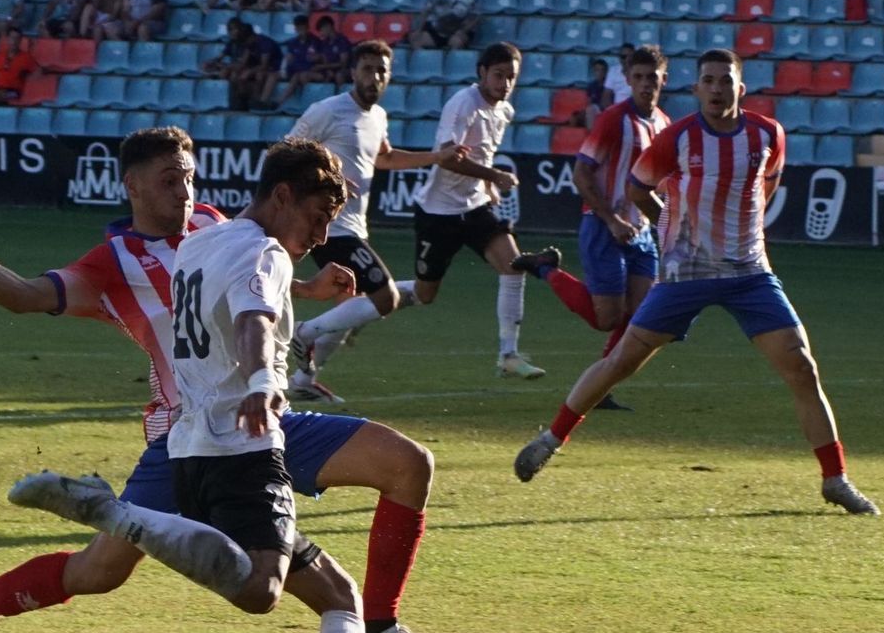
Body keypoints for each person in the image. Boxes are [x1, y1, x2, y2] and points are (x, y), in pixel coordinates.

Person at [0, 127, 458, 633]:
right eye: (169, 181)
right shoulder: (112, 265)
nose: (185, 192)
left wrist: (307, 288)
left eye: (188, 178)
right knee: (98, 572)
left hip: (263, 420)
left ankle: (380, 628)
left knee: (406, 463)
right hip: (185, 437)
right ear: (133, 186)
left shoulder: (212, 225)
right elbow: (23, 294)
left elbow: (250, 291)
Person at [0, 138, 428, 633]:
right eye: (316, 219)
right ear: (283, 197)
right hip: (245, 446)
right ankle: (118, 515)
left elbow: (226, 306)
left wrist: (301, 293)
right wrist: (262, 380)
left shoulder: (200, 243)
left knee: (338, 593)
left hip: (188, 445)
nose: (320, 236)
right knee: (260, 592)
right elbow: (253, 319)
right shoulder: (262, 251)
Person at [513, 49, 880, 516]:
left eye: (725, 81)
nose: (716, 88)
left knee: (802, 367)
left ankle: (835, 479)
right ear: (696, 88)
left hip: (748, 272)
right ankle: (550, 439)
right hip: (686, 273)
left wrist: (742, 230)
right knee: (623, 359)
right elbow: (637, 188)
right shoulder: (677, 137)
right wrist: (673, 228)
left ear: (740, 89)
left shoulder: (768, 133)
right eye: (708, 80)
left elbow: (767, 184)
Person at [284, 40, 468, 403]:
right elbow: (287, 151)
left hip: (355, 226)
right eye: (367, 69)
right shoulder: (328, 111)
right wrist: (329, 179)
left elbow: (384, 158)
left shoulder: (378, 117)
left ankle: (303, 380)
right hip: (330, 226)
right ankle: (304, 333)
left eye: (381, 70)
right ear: (353, 72)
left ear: (389, 76)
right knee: (384, 298)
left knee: (349, 309)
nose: (374, 77)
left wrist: (437, 157)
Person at [523, 45, 669, 417]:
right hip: (604, 226)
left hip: (641, 232)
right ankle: (546, 268)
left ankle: (602, 387)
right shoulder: (612, 120)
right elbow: (581, 173)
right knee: (607, 318)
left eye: (652, 78)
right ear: (628, 80)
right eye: (638, 77)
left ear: (663, 80)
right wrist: (613, 220)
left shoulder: (664, 124)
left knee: (641, 316)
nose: (645, 84)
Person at [409, 41, 556, 380]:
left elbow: (482, 152)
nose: (505, 83)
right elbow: (448, 157)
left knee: (514, 266)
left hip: (474, 207)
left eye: (511, 77)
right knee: (424, 293)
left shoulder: (504, 111)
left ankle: (508, 355)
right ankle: (375, 298)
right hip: (439, 212)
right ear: (482, 73)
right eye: (499, 75)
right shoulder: (464, 103)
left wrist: (486, 187)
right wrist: (494, 177)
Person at [408, 0, 479, 51]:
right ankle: (424, 58)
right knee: (414, 38)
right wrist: (418, 30)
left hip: (456, 32)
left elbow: (475, 18)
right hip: (436, 30)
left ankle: (453, 58)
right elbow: (426, 11)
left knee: (457, 42)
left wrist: (463, 31)